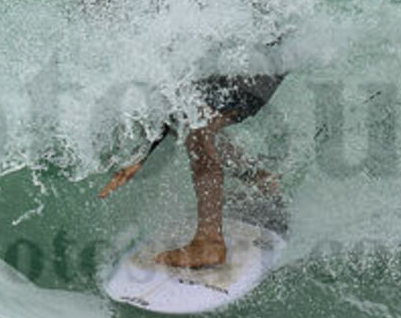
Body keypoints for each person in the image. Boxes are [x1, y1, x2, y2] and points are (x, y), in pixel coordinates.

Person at [99, 73, 284, 268]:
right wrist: (141, 155)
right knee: (188, 118)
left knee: (196, 126)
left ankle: (209, 244)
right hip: (262, 58)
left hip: (256, 63)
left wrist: (142, 154)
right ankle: (256, 176)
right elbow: (173, 103)